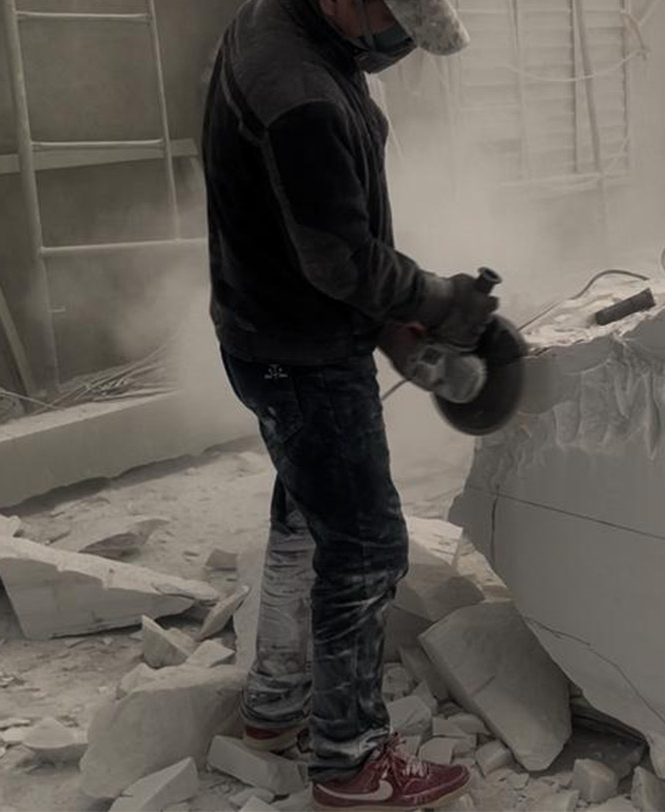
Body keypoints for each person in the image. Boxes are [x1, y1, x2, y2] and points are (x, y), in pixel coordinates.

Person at [201, 0, 490, 808]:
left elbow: (312, 229)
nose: (399, 50)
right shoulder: (301, 90)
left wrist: (395, 330)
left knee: (304, 516)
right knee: (365, 550)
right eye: (397, 29)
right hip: (303, 357)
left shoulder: (282, 24)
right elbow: (339, 260)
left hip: (267, 334)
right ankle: (352, 763)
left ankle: (274, 705)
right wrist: (434, 299)